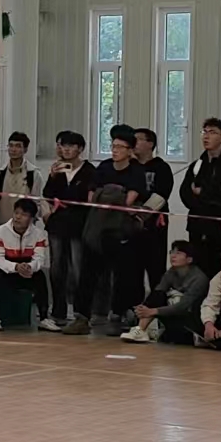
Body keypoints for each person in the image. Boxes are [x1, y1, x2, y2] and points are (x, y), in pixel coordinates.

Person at [64, 128, 147, 336]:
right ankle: (82, 317)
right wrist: (112, 195)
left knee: (123, 276)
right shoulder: (104, 167)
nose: (115, 150)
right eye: (113, 146)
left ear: (130, 150)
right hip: (96, 228)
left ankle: (118, 315)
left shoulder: (136, 171)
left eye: (120, 147)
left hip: (120, 231)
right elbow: (92, 197)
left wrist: (108, 196)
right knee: (87, 274)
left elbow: (128, 201)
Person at [179, 118, 221, 278]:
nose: (206, 136)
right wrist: (206, 198)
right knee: (197, 267)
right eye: (205, 132)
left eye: (212, 132)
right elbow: (185, 193)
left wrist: (202, 193)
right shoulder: (197, 165)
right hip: (197, 225)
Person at [43, 131, 95, 324]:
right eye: (63, 145)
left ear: (80, 149)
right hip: (58, 225)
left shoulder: (89, 171)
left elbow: (85, 199)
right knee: (57, 268)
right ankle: (58, 310)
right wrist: (52, 176)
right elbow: (48, 194)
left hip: (79, 226)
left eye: (71, 146)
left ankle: (81, 312)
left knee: (78, 269)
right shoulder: (58, 169)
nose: (66, 149)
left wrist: (66, 200)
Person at [0, 198, 58, 332]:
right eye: (16, 213)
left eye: (23, 214)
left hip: (27, 270)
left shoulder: (39, 234)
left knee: (40, 276)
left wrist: (30, 267)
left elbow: (39, 258)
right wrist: (15, 267)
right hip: (7, 270)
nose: (18, 217)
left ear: (31, 218)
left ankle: (43, 318)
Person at [119, 240, 210, 345]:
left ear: (189, 259)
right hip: (176, 314)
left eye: (178, 253)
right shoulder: (171, 272)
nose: (173, 256)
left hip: (193, 317)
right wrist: (143, 307)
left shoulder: (199, 278)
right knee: (159, 295)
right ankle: (140, 329)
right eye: (171, 252)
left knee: (175, 299)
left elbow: (183, 306)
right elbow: (158, 292)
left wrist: (153, 311)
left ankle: (141, 329)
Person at [132, 127, 174, 291]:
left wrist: (141, 214)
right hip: (129, 223)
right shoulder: (130, 166)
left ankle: (157, 301)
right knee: (133, 267)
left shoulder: (161, 167)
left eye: (138, 139)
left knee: (155, 266)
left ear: (150, 144)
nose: (134, 143)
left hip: (154, 223)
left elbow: (162, 195)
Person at [0, 132, 42, 225]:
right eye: (11, 146)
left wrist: (32, 219)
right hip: (2, 223)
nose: (13, 149)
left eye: (18, 146)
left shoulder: (33, 174)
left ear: (25, 149)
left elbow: (36, 202)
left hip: (25, 225)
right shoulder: (0, 173)